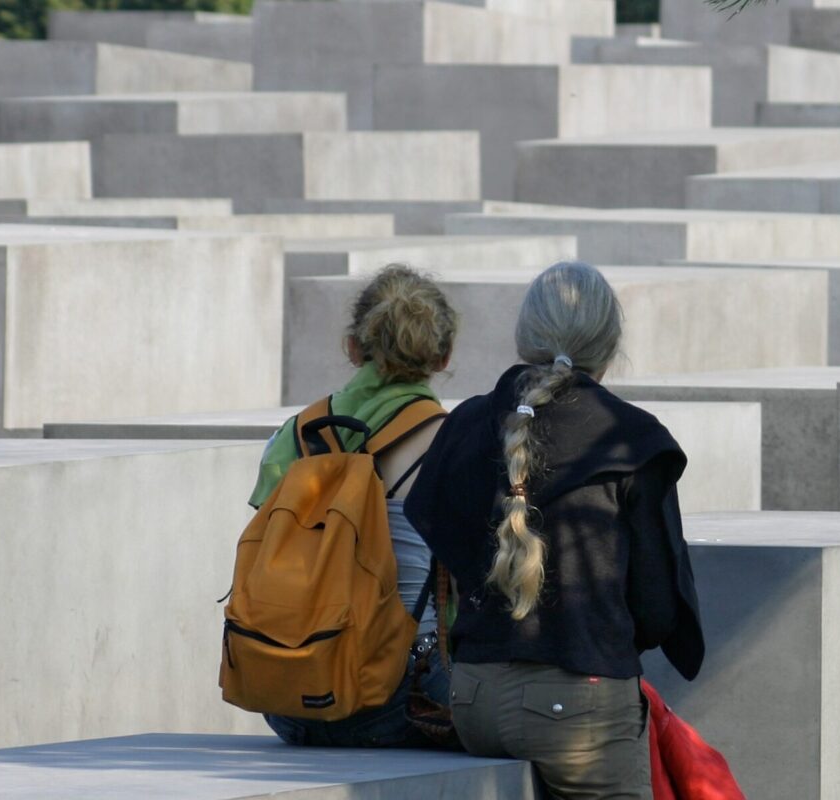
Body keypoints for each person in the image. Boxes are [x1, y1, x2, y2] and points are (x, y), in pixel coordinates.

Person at [405, 262, 705, 800]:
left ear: (526, 335)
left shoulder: (466, 424)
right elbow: (659, 608)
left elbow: (435, 531)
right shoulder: (632, 440)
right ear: (609, 343)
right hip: (584, 708)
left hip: (474, 701)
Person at [249, 264, 460, 748]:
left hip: (287, 698)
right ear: (444, 355)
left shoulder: (294, 436)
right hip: (402, 698)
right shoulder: (453, 443)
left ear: (352, 346)